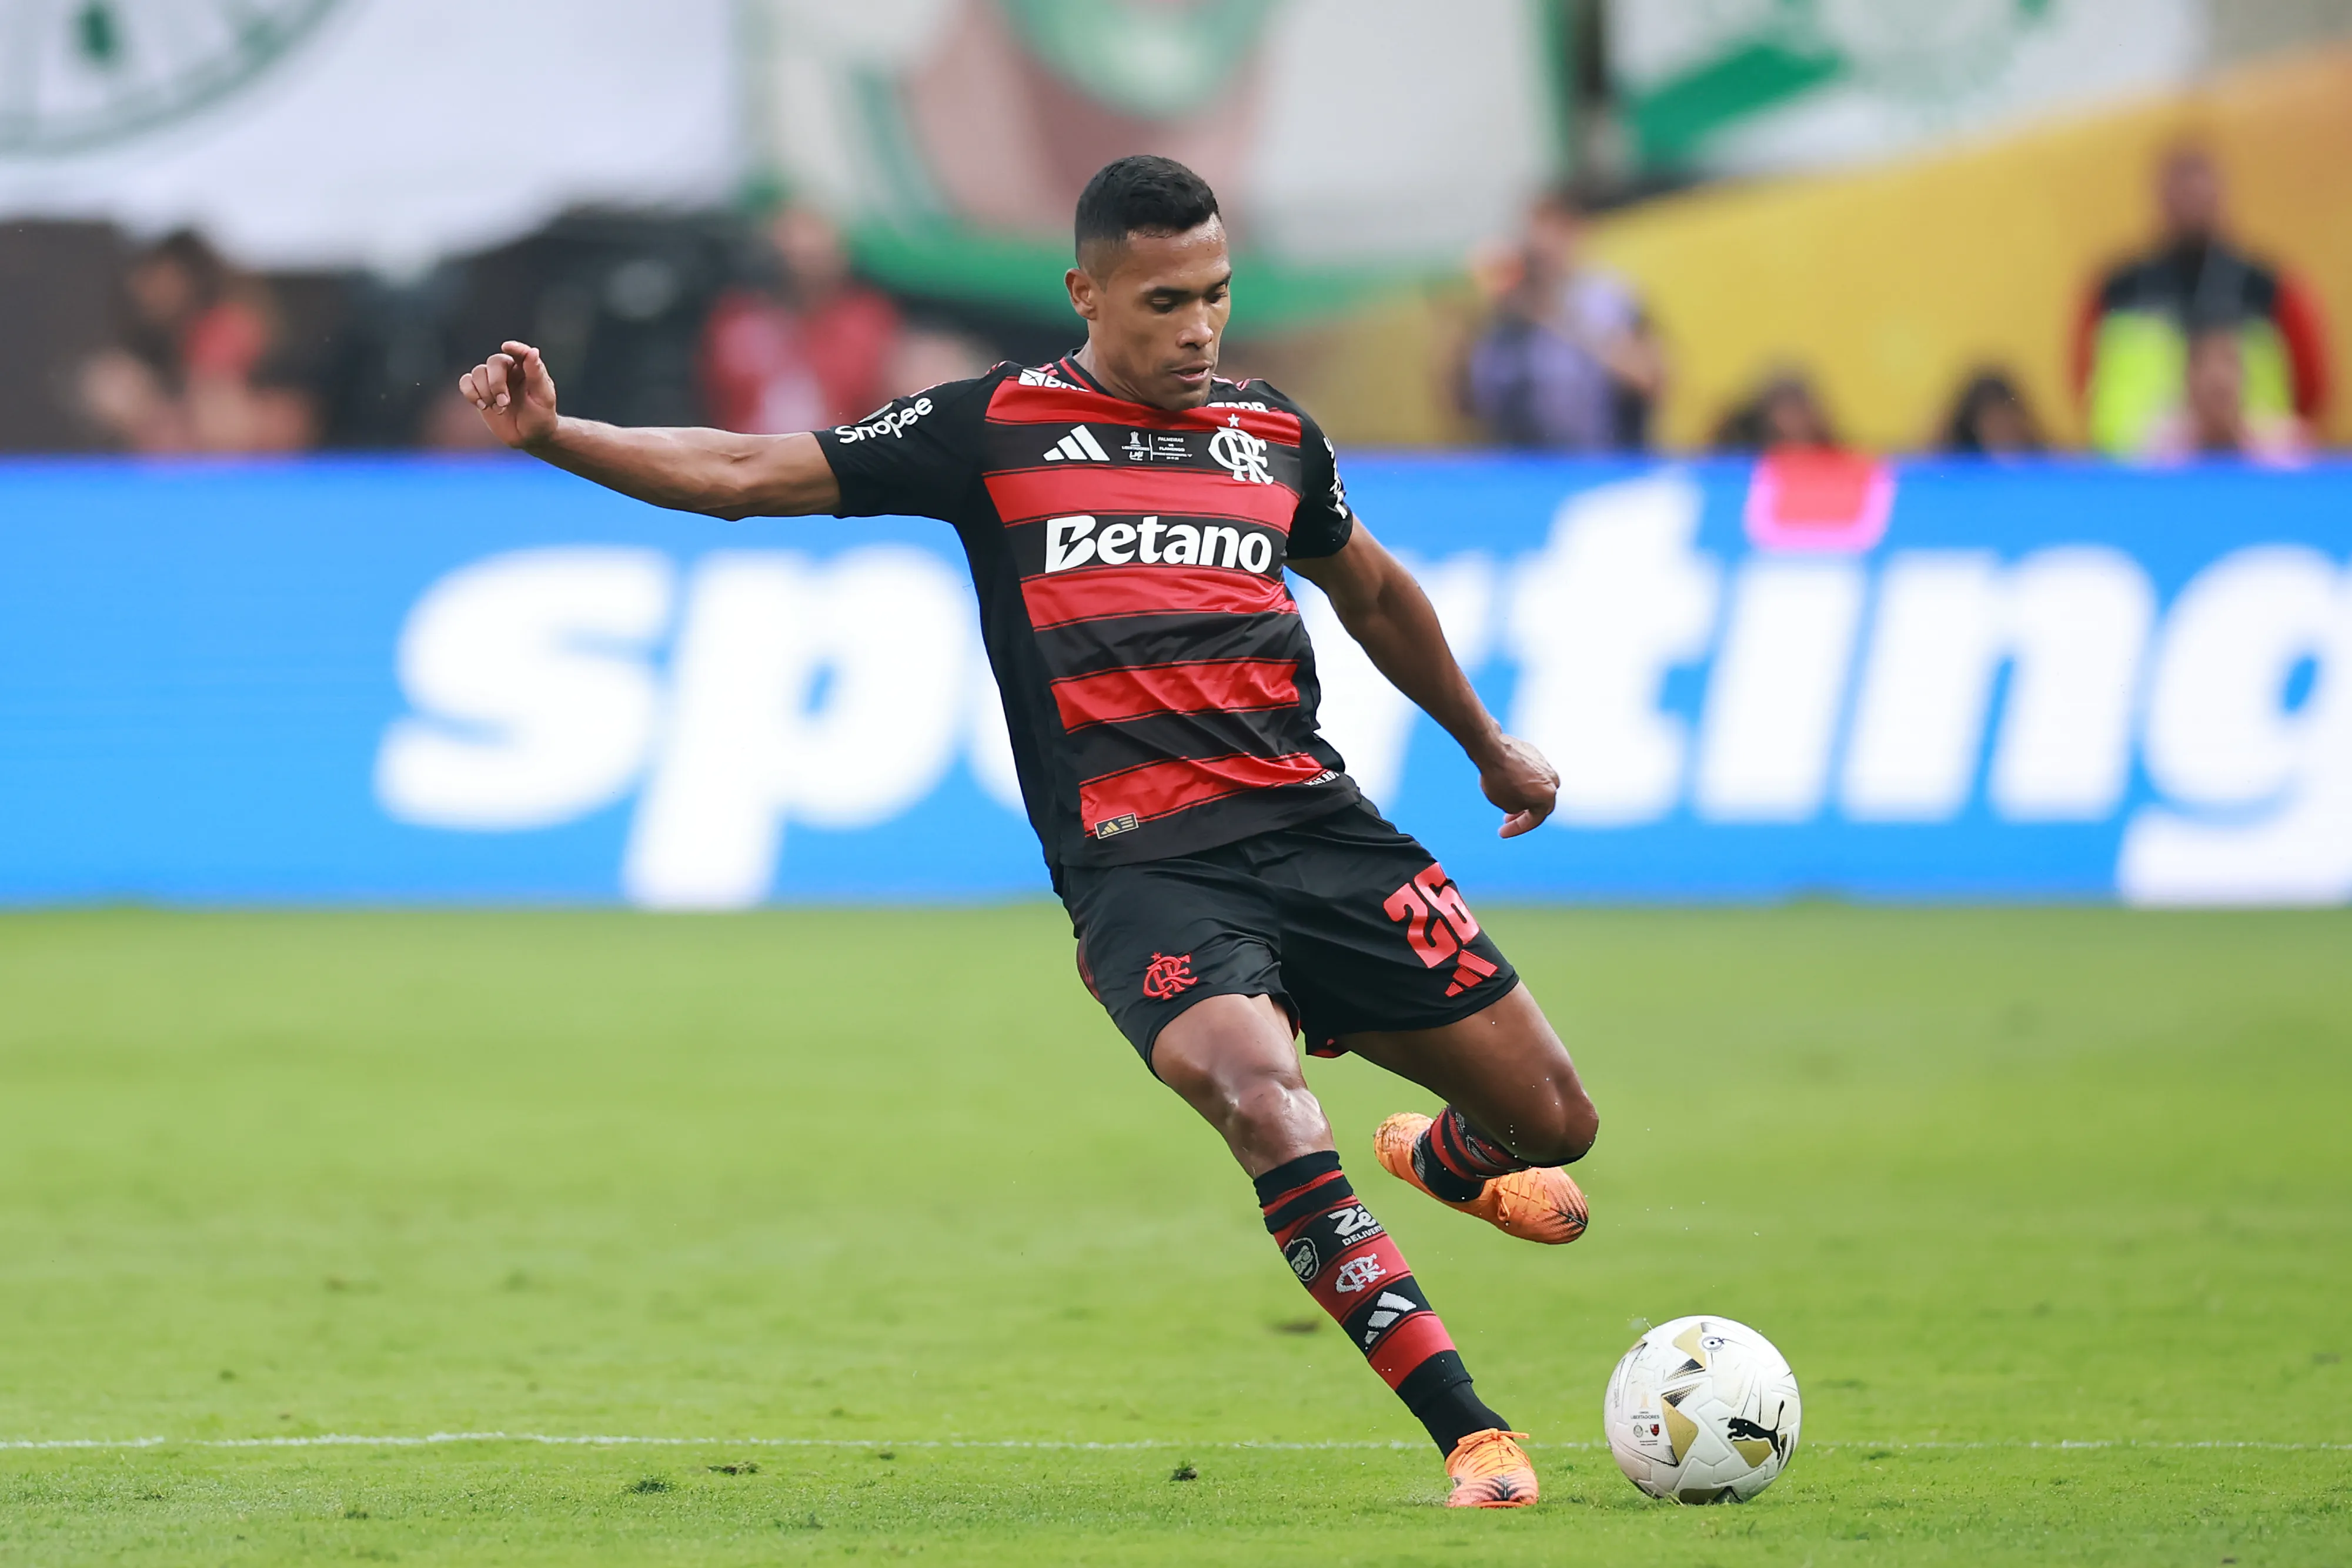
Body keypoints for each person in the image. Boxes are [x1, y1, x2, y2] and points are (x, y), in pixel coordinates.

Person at [460, 155, 1599, 1509]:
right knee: (1262, 1098)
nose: (1198, 329)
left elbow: (1375, 592)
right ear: (1088, 293)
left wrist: (1486, 747)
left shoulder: (1272, 436)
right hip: (1147, 873)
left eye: (1217, 296)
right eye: (1166, 299)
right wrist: (553, 434)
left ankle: (1441, 1155)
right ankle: (1472, 1433)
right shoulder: (994, 430)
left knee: (1553, 1120)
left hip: (1320, 831)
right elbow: (744, 472)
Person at [2075, 144, 2330, 456]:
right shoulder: (2115, 288)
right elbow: (2084, 382)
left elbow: (2312, 386)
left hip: (2256, 469)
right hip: (2136, 474)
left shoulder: (2269, 288)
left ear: (2222, 197)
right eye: (2182, 192)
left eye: (2201, 192)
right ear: (2161, 199)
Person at [77, 229, 316, 453]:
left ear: (186, 279)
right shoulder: (159, 335)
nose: (144, 289)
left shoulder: (221, 328)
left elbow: (221, 426)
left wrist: (150, 416)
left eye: (158, 277)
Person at [1462, 185, 1663, 450]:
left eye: (1555, 232)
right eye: (1535, 231)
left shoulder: (1611, 300)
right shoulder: (1510, 304)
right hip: (1523, 467)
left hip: (1603, 461)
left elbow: (1650, 379)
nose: (1542, 243)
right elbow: (1469, 402)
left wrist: (1559, 318)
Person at [697, 202, 903, 434]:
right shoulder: (738, 320)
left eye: (814, 257)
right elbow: (717, 399)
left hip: (840, 455)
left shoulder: (865, 321)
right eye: (791, 256)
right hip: (746, 453)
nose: (801, 269)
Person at [2141, 327, 2308, 466]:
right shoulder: (2161, 453)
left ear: (2246, 375)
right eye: (2204, 362)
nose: (2219, 376)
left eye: (2229, 360)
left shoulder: (2281, 448)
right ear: (2188, 378)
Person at [1712, 368, 1839, 452]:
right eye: (1785, 410)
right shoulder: (1742, 461)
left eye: (1795, 409)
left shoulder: (1837, 461)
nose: (1792, 420)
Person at [1940, 369, 2045, 457]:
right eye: (1996, 426)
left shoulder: (2041, 462)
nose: (2004, 435)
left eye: (2008, 425)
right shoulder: (1949, 465)